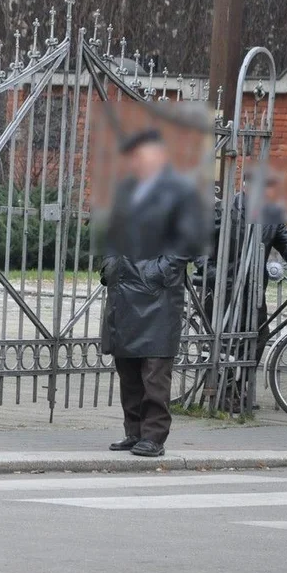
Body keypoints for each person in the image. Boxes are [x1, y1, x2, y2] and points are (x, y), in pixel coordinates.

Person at [100, 129, 206, 457]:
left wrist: (157, 273)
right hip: (124, 292)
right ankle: (133, 432)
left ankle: (154, 437)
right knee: (128, 370)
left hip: (157, 296)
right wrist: (110, 266)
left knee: (154, 373)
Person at [199, 166, 287, 360]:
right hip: (222, 290)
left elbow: (286, 240)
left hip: (253, 290)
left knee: (256, 338)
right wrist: (211, 271)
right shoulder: (224, 209)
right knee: (222, 348)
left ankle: (240, 386)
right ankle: (219, 388)